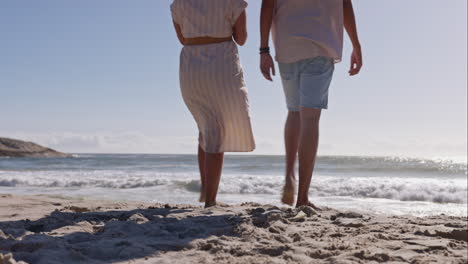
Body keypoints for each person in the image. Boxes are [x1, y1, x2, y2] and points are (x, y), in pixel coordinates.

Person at [259, 0, 362, 208]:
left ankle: (289, 176)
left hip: (288, 47)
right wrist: (356, 44)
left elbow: (267, 6)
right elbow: (345, 6)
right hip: (320, 45)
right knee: (310, 118)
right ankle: (302, 198)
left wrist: (263, 50)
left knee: (294, 112)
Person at [171, 0, 255, 208]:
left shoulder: (178, 3)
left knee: (206, 128)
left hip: (191, 65)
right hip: (220, 63)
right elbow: (242, 38)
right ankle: (210, 200)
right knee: (217, 130)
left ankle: (206, 192)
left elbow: (182, 38)